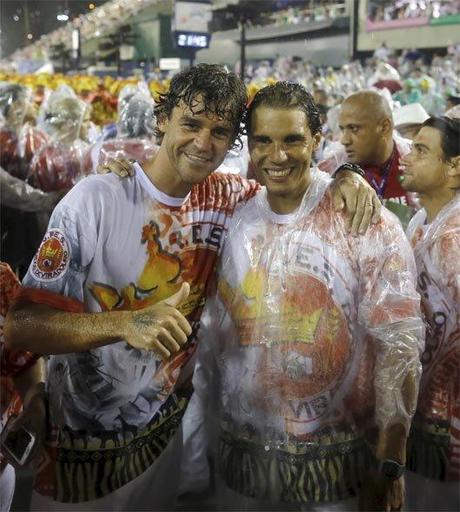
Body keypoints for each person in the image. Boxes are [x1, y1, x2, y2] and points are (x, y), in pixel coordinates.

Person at [7, 64, 379, 510]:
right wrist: (126, 323)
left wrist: (349, 173)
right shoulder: (95, 200)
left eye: (220, 131)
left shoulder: (229, 198)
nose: (204, 143)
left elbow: (294, 184)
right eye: (191, 124)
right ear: (162, 120)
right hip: (80, 458)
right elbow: (21, 326)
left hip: (159, 449)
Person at [203, 81, 424, 511]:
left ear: (317, 141)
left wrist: (390, 458)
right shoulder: (235, 217)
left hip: (339, 464)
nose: (277, 156)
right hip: (245, 459)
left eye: (292, 140)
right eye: (263, 141)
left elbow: (400, 342)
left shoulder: (362, 219)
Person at [399, 116, 460, 511]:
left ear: (454, 166)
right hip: (424, 408)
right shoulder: (423, 221)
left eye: (421, 150)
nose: (407, 156)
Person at [319, 90, 414, 227]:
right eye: (342, 129)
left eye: (354, 128)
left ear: (384, 127)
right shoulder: (329, 169)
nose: (344, 140)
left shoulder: (414, 160)